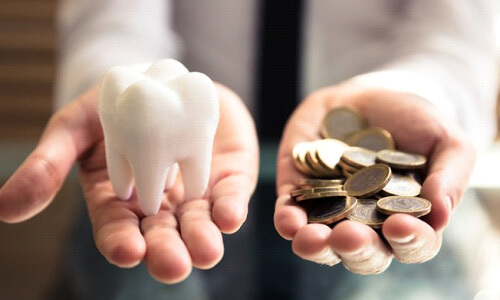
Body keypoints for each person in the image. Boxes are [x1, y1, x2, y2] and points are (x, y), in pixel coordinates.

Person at [0, 0, 498, 299]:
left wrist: (420, 93)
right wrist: (120, 84)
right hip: (185, 134)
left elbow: (458, 32)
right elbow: (111, 20)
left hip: (370, 138)